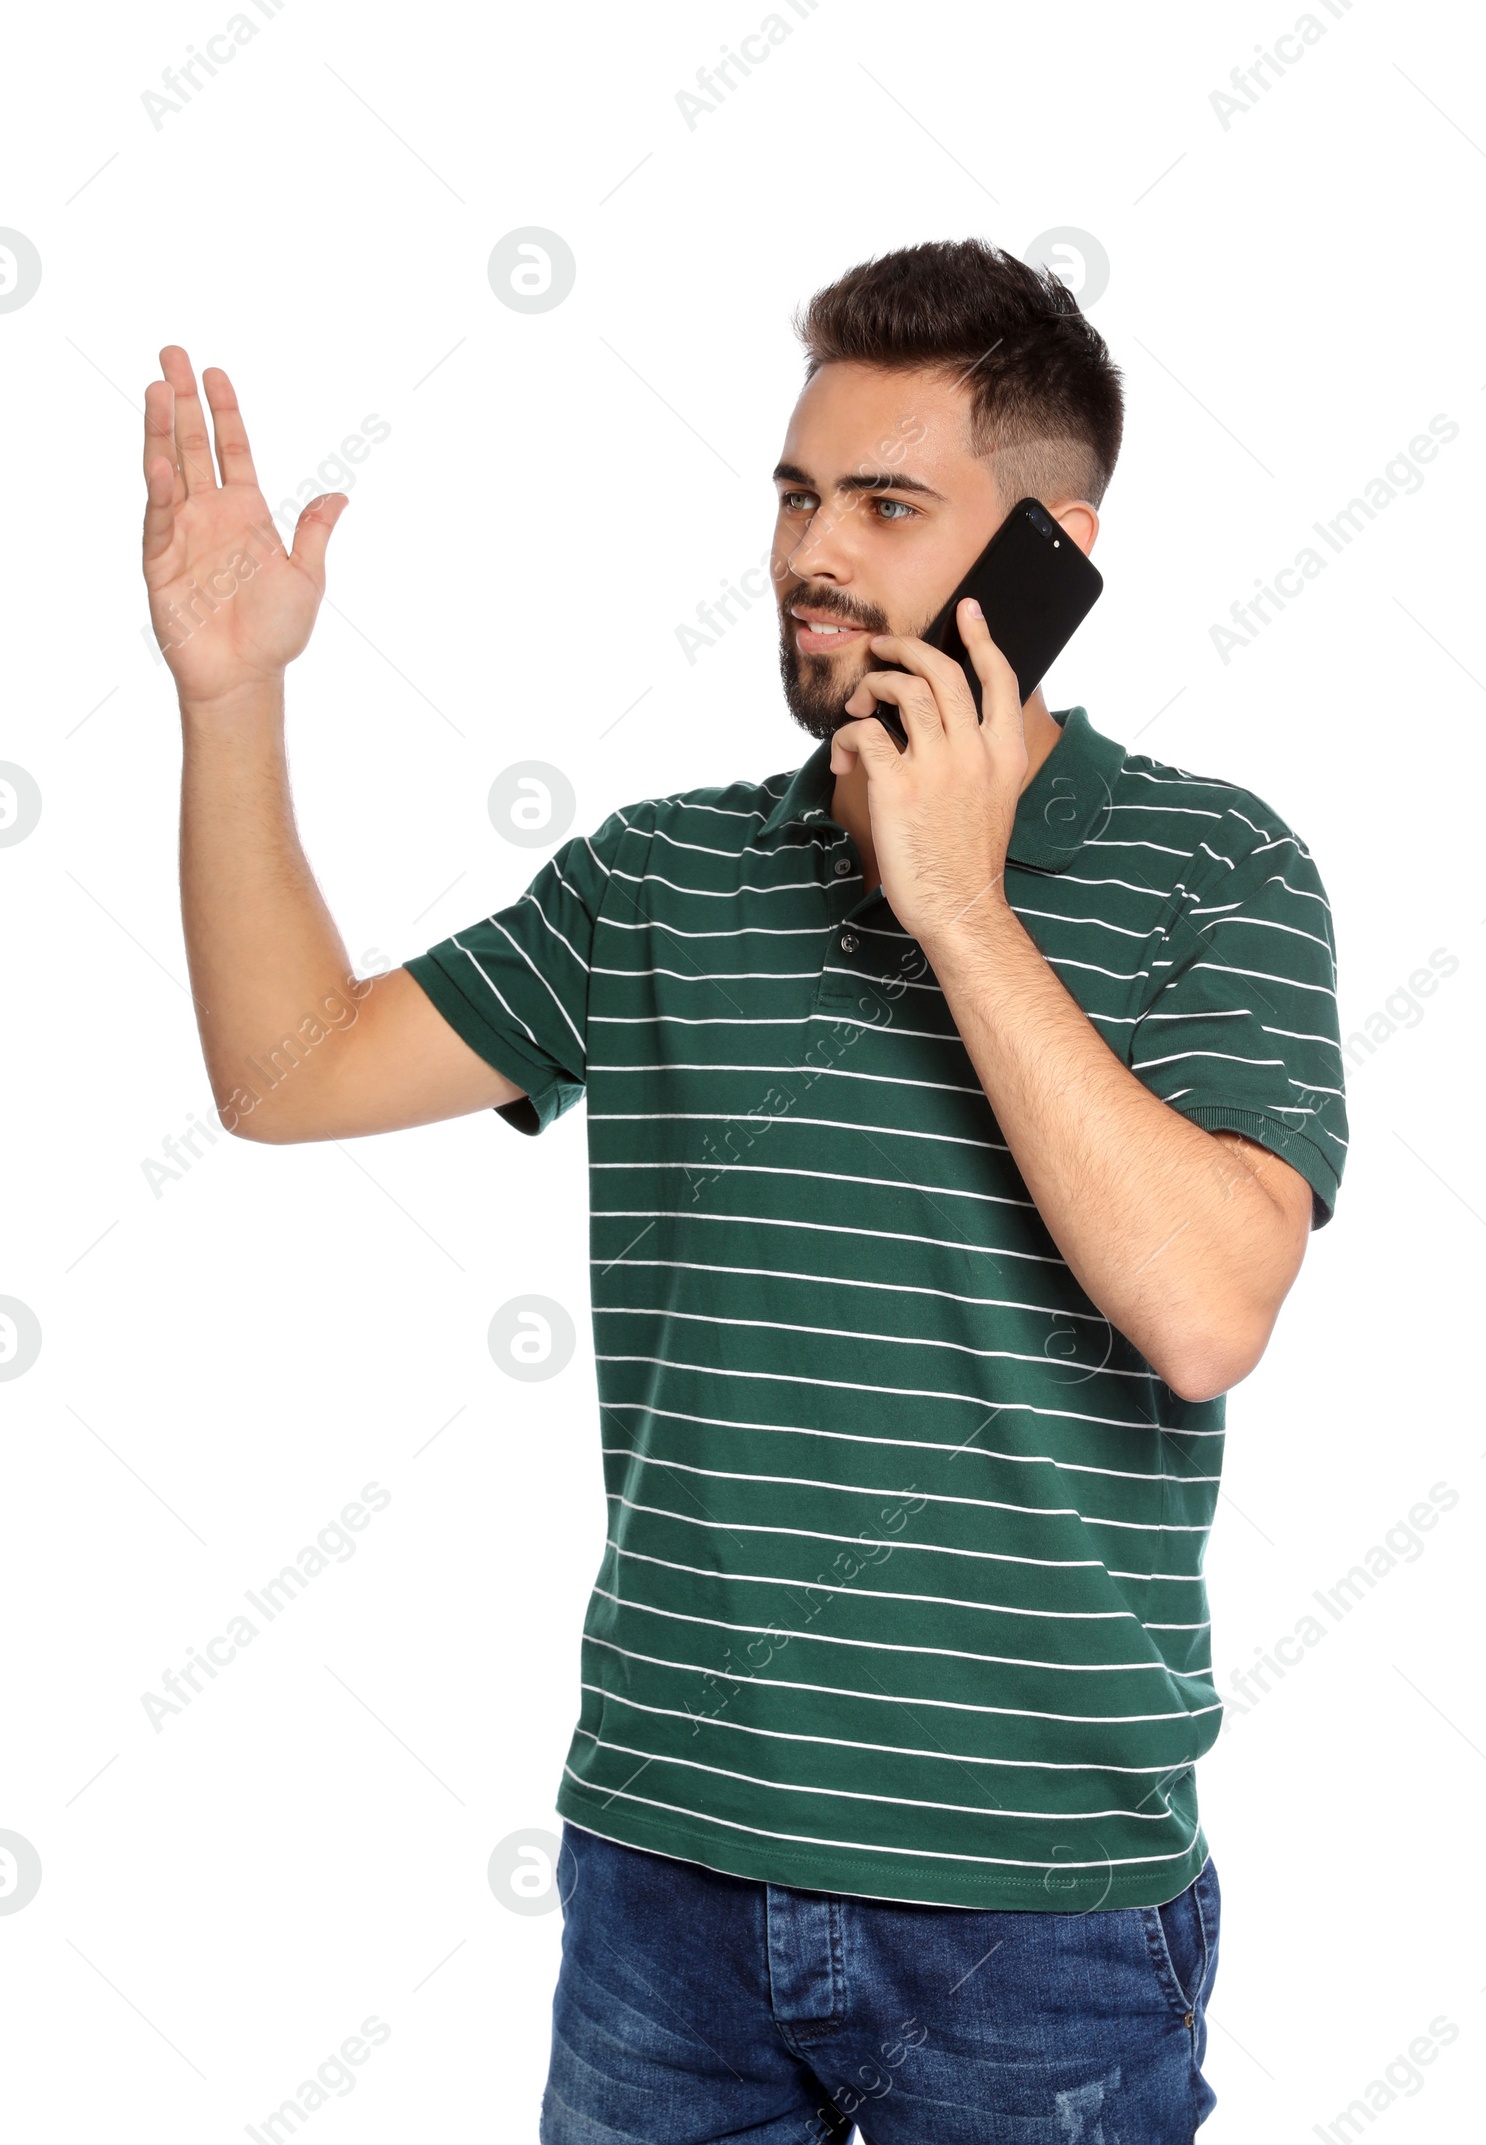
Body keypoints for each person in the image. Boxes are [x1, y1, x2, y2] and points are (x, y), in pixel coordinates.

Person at [141, 238, 1347, 2143]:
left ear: (1054, 553)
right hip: (664, 1882)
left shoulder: (1214, 865)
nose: (814, 553)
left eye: (886, 504)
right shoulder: (666, 879)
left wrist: (953, 894)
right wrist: (231, 702)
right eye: (798, 494)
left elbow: (1208, 1309)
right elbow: (287, 1075)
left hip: (1031, 1918)